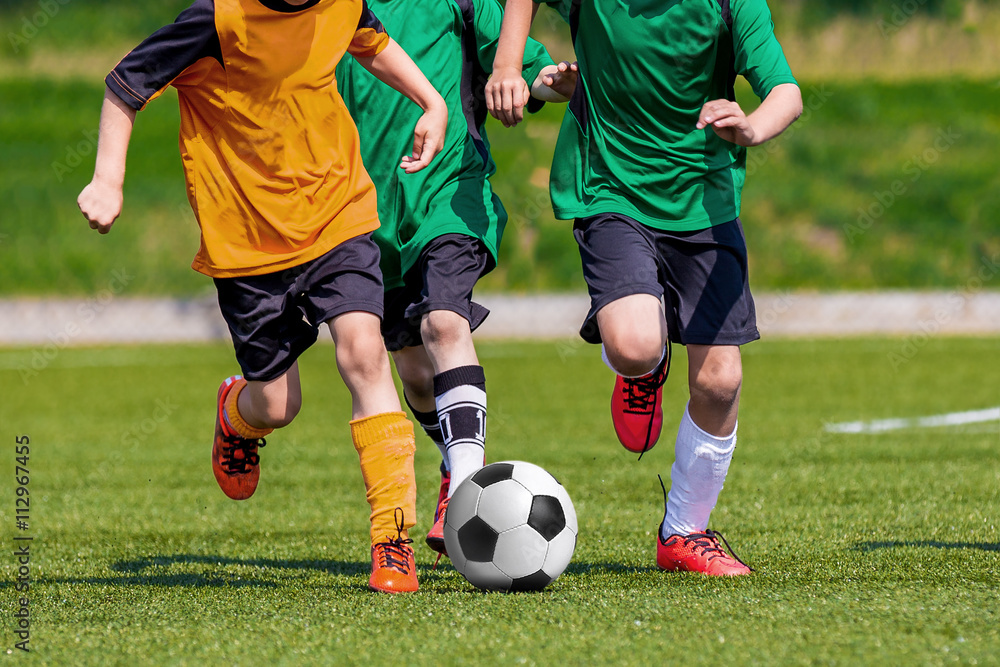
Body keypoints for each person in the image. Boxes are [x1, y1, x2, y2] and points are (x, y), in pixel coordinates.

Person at [76, 0, 449, 594]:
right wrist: (107, 178)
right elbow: (125, 85)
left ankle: (392, 542)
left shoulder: (341, 2)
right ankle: (236, 415)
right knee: (277, 406)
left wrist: (432, 100)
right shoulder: (217, 19)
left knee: (365, 353)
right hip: (247, 242)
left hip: (338, 213)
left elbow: (370, 40)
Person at [486, 0, 802, 575]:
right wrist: (509, 65)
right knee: (636, 347)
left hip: (704, 204)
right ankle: (643, 366)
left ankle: (684, 532)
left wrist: (751, 126)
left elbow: (786, 91)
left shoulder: (733, 4)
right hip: (611, 191)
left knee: (721, 383)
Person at [336, 0, 577, 558]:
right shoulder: (333, 11)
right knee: (416, 376)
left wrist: (547, 81)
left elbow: (522, 69)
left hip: (450, 195)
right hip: (365, 210)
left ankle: (468, 490)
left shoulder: (461, 2)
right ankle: (454, 462)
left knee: (445, 323)